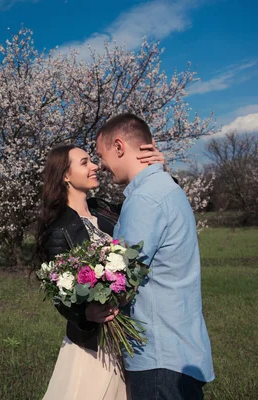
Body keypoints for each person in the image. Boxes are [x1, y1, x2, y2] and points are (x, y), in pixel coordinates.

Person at [95, 113, 214, 400]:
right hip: (180, 348)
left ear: (120, 147)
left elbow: (120, 274)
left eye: (102, 155)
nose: (101, 165)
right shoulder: (167, 188)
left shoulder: (145, 199)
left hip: (159, 354)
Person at [38, 141, 166, 399]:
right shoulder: (58, 229)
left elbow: (150, 209)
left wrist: (160, 173)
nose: (95, 166)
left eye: (92, 160)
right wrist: (86, 313)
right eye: (85, 162)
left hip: (129, 336)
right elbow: (59, 291)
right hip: (94, 345)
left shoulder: (104, 210)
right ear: (65, 175)